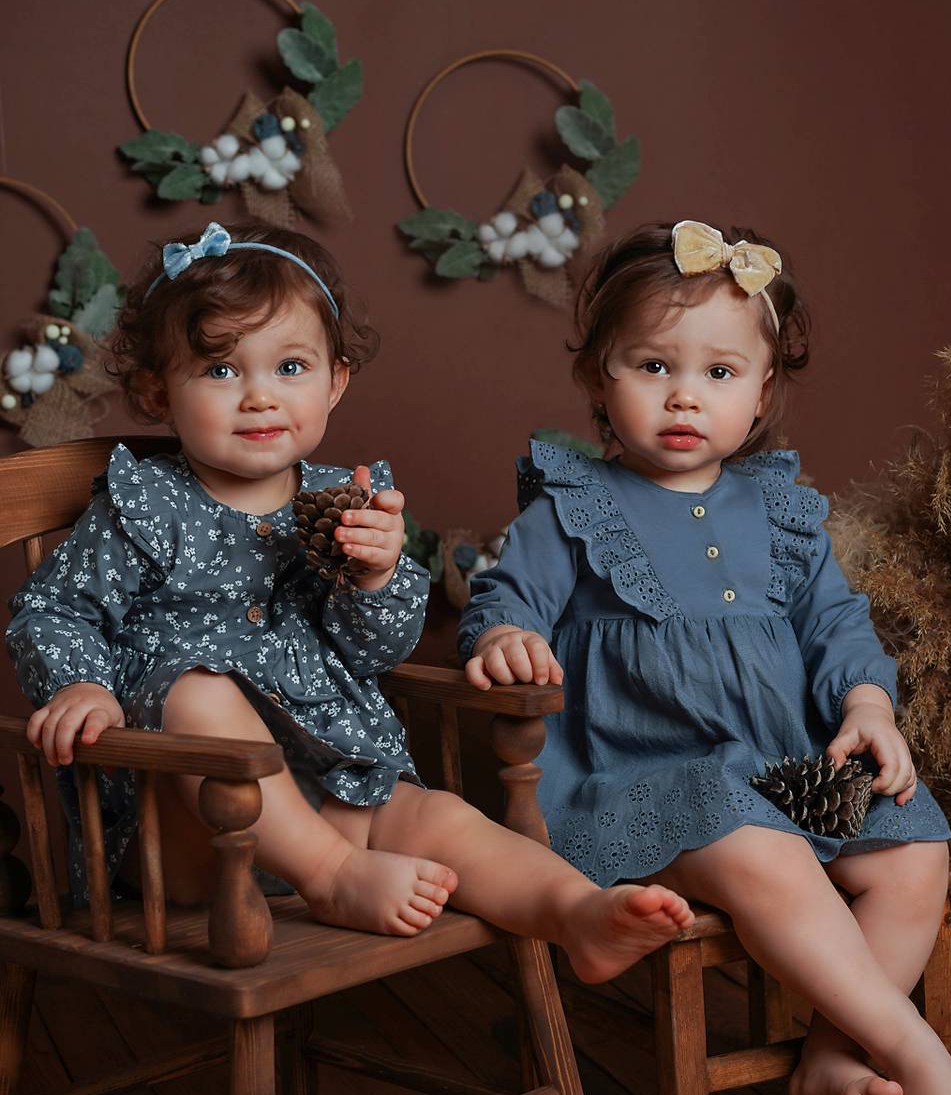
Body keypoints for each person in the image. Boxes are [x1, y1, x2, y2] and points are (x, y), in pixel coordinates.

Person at [6, 221, 693, 978]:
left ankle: (574, 911)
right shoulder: (144, 504)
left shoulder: (346, 500)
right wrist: (81, 686)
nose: (259, 396)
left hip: (333, 782)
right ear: (155, 391)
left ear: (334, 382)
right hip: (191, 828)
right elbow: (55, 609)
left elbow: (376, 652)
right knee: (197, 689)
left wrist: (375, 577)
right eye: (220, 370)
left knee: (441, 819)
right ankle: (331, 876)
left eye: (290, 366)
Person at [459, 220, 951, 1095]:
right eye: (652, 366)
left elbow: (836, 625)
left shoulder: (781, 511)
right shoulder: (573, 507)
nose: (684, 395)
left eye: (719, 372)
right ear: (597, 378)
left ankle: (831, 1056)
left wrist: (866, 705)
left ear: (762, 390)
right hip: (636, 783)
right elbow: (507, 599)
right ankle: (907, 1040)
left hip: (779, 771)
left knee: (916, 846)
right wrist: (506, 637)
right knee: (755, 845)